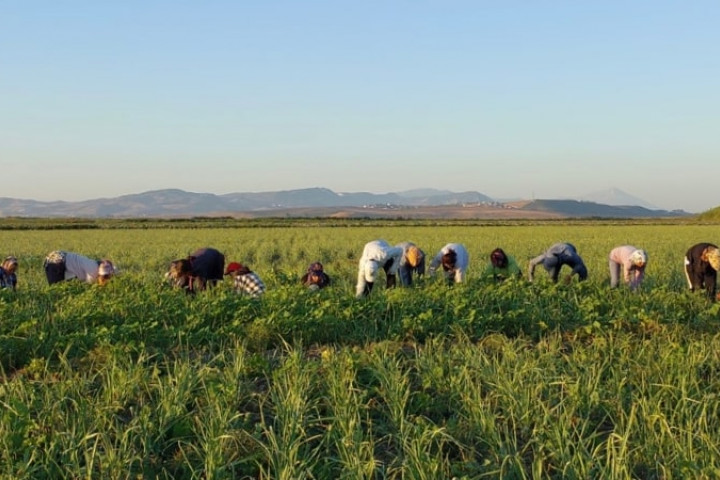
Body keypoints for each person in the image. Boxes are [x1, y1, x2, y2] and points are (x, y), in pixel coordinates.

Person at [44, 251, 115, 285]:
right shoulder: (93, 272)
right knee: (55, 290)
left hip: (58, 257)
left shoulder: (94, 264)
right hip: (56, 261)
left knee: (64, 286)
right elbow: (89, 287)